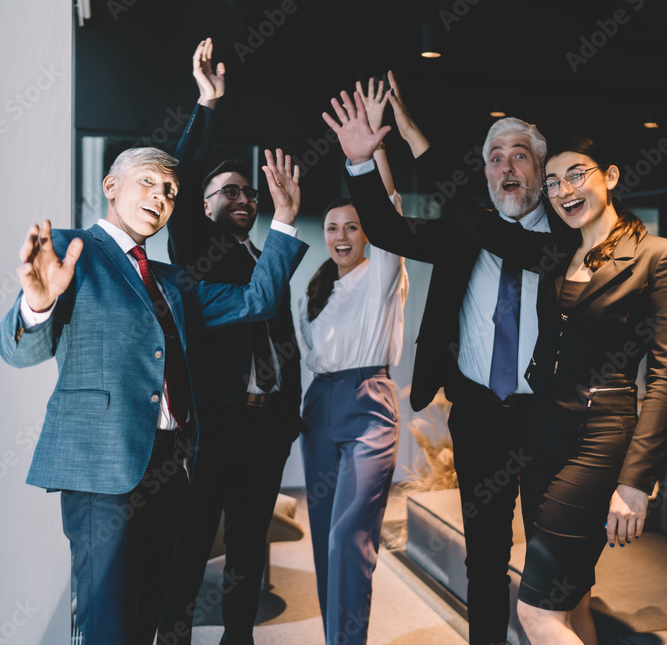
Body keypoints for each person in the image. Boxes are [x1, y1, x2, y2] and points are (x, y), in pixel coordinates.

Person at [325, 74, 667, 645]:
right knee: (485, 561)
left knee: (560, 576)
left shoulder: (571, 241)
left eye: (521, 155)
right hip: (480, 414)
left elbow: (645, 277)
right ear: (485, 173)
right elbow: (388, 228)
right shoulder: (461, 234)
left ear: (543, 175)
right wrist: (362, 165)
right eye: (495, 157)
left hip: (554, 420)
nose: (507, 166)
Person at [0, 143, 307, 645]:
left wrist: (287, 217)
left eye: (170, 190)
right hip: (102, 472)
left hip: (170, 468)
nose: (160, 196)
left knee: (147, 623)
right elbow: (18, 354)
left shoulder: (172, 281)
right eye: (147, 182)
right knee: (108, 627)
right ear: (111, 187)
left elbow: (258, 299)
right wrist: (37, 305)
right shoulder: (73, 255)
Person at [157, 39, 306, 645]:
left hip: (265, 424)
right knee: (193, 542)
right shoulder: (197, 246)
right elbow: (186, 171)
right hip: (215, 420)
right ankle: (173, 634)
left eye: (250, 193)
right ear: (201, 207)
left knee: (248, 545)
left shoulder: (259, 253)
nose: (244, 200)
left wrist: (288, 416)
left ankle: (237, 638)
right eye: (230, 193)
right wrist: (207, 105)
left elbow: (282, 338)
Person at [302, 79, 408, 645]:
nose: (342, 236)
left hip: (369, 405)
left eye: (352, 226)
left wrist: (372, 152)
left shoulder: (384, 273)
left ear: (367, 234)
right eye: (333, 229)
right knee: (323, 534)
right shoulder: (314, 291)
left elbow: (388, 209)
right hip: (320, 405)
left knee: (348, 534)